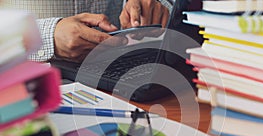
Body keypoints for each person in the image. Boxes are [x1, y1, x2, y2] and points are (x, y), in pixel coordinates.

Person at [1, 0, 171, 63]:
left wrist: (150, 4)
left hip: (119, 73)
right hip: (24, 91)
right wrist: (47, 36)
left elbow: (172, 5)